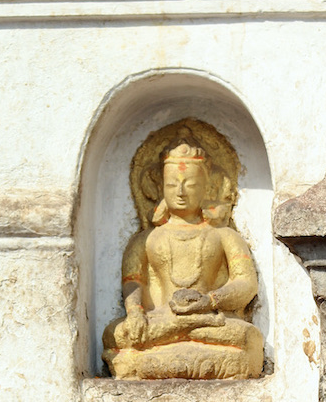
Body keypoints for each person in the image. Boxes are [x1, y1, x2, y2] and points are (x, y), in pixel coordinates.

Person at [102, 141, 264, 379]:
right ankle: (187, 340)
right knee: (115, 334)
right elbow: (133, 282)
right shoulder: (146, 239)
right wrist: (136, 312)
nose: (180, 191)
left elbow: (246, 284)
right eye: (171, 184)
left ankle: (148, 361)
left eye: (190, 184)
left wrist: (209, 301)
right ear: (159, 189)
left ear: (208, 187)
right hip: (162, 318)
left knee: (248, 337)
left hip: (208, 319)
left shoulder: (224, 235)